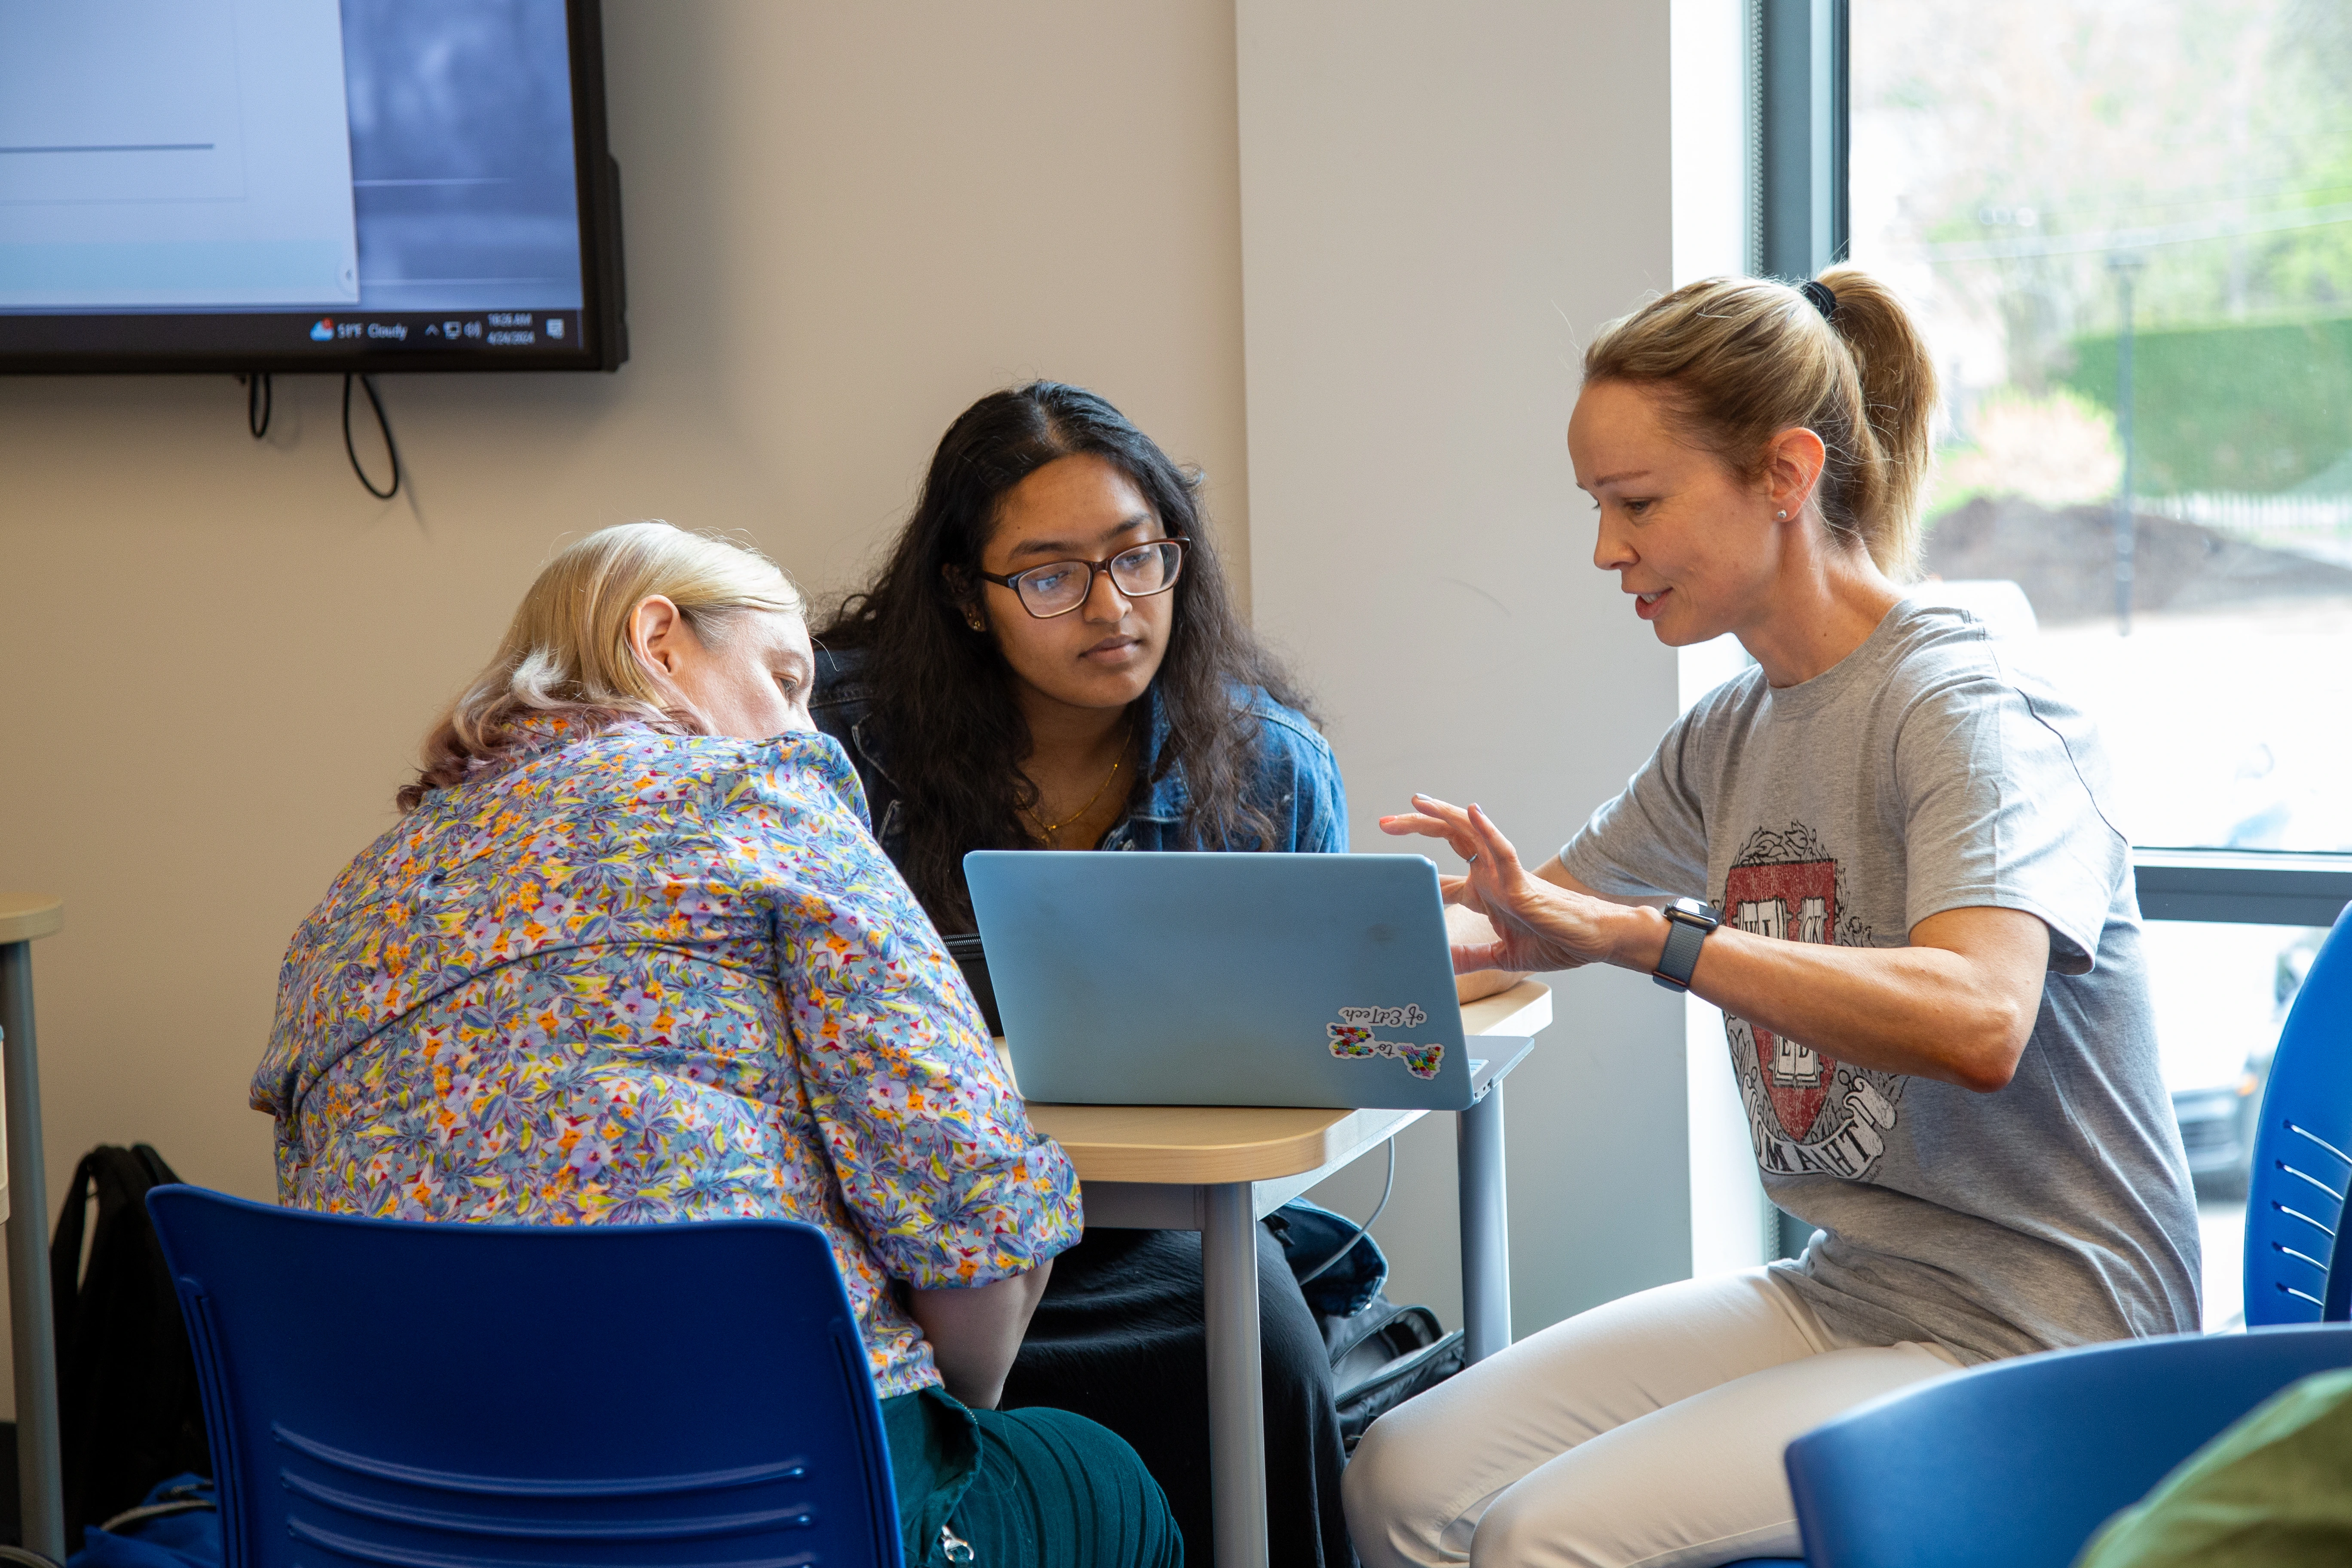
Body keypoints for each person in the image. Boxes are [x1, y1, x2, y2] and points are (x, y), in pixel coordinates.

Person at [1344, 270, 2202, 1568]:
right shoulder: (1734, 731)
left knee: (1538, 1539)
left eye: (1637, 504)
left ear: (1787, 473)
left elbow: (1981, 1018)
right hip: (1857, 1286)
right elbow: (1539, 923)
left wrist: (1661, 942)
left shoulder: (1968, 708)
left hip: (2047, 1332)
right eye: (1597, 508)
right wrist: (1294, 966)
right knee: (1403, 1474)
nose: (1605, 550)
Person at [251, 521, 1182, 1568]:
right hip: (749, 1505)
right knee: (1095, 1475)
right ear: (659, 640)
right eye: (785, 680)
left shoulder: (355, 897)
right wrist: (959, 1414)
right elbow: (979, 1232)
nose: (803, 727)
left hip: (403, 1509)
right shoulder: (762, 799)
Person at [814, 381, 1391, 1568]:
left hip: (1155, 1234)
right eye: (1050, 576)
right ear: (968, 601)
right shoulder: (842, 747)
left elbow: (1314, 1044)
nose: (1113, 608)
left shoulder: (1269, 766)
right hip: (912, 1230)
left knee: (1263, 1333)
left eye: (1141, 561)